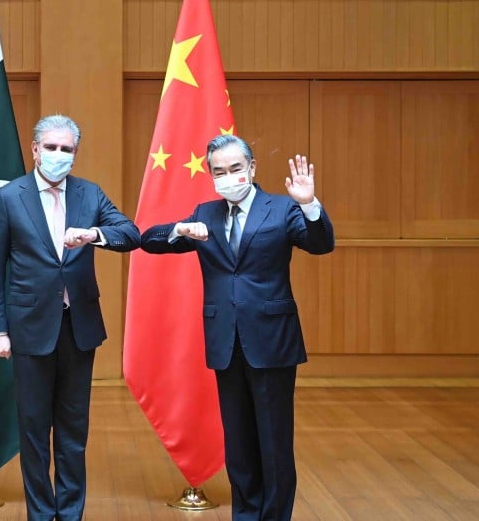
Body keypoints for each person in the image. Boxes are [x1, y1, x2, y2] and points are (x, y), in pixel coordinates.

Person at [139, 134, 335, 521]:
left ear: (252, 168)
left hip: (272, 340)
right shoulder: (205, 213)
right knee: (239, 442)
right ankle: (245, 514)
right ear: (210, 174)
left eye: (235, 169)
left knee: (274, 439)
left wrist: (309, 204)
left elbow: (321, 243)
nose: (228, 177)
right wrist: (181, 230)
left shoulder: (282, 209)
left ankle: (274, 515)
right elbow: (150, 241)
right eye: (219, 171)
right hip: (225, 341)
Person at [0, 114, 140, 521]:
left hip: (77, 328)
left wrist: (95, 235)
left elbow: (131, 233)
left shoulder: (90, 195)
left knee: (73, 430)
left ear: (75, 154)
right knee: (34, 430)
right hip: (28, 328)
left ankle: (70, 514)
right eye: (50, 147)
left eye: (66, 149)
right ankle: (40, 513)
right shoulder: (9, 196)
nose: (57, 155)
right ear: (35, 150)